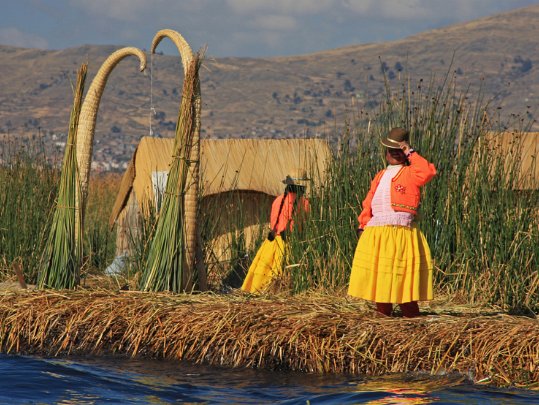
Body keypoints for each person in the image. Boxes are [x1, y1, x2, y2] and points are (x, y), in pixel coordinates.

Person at [348, 128, 437, 317]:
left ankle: (411, 317)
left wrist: (409, 151)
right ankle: (383, 316)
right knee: (381, 276)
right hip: (377, 232)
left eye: (398, 150)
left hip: (400, 232)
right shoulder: (380, 175)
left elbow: (427, 172)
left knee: (402, 276)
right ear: (386, 153)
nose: (394, 153)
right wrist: (363, 224)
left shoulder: (411, 172)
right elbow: (369, 201)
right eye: (390, 150)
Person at [241, 169, 310, 294]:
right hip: (289, 244)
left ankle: (257, 291)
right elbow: (302, 226)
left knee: (263, 271)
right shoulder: (304, 203)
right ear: (302, 186)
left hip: (271, 242)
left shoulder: (278, 200)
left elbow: (274, 222)